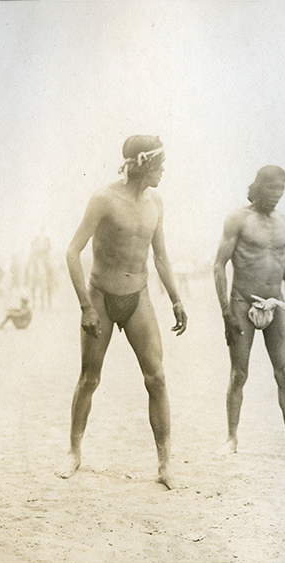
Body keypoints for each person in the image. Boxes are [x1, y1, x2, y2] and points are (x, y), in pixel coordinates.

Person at [56, 136, 186, 489]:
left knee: (156, 378)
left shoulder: (155, 201)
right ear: (143, 164)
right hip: (101, 296)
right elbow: (72, 251)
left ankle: (164, 465)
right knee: (89, 378)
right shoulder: (104, 199)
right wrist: (85, 305)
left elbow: (160, 256)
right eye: (159, 164)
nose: (163, 171)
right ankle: (74, 451)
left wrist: (175, 299)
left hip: (138, 296)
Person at [214, 166, 285, 462]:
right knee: (239, 373)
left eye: (281, 190)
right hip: (243, 302)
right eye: (271, 189)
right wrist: (226, 311)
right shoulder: (238, 219)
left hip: (276, 304)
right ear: (257, 187)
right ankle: (231, 438)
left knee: (284, 372)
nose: (276, 196)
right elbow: (219, 265)